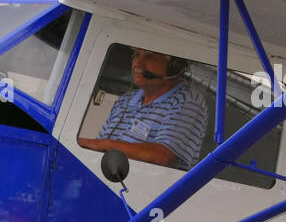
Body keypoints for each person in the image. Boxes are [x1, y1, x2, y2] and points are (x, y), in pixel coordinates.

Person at [80, 48, 208, 170]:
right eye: (136, 55)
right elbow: (97, 149)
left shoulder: (188, 100)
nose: (137, 64)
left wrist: (105, 145)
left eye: (149, 57)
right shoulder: (125, 100)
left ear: (175, 66)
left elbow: (161, 156)